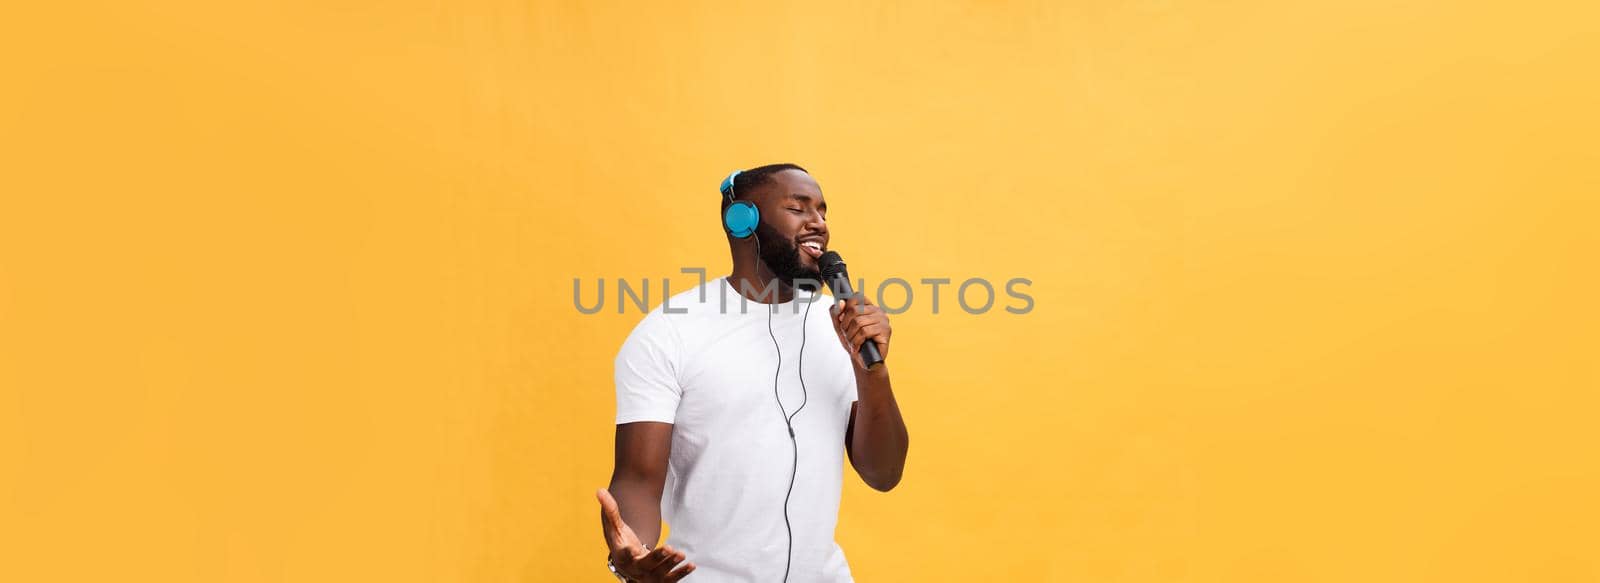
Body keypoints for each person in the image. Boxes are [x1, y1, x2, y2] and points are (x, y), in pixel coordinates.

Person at [596, 163, 910, 582]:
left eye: (822, 211)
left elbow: (883, 474)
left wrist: (872, 372)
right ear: (742, 221)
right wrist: (629, 559)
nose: (818, 223)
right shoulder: (670, 331)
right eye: (798, 209)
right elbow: (638, 478)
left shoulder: (839, 328)